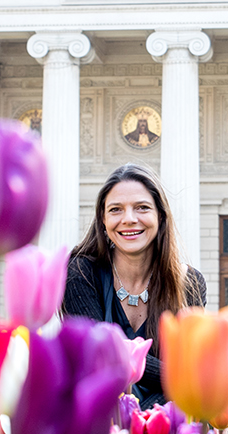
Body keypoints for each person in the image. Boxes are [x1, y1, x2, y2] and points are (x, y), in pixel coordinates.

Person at [61, 163, 205, 410]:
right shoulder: (79, 273)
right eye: (116, 209)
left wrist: (142, 424)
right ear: (103, 220)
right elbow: (99, 358)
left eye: (142, 208)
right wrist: (181, 380)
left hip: (165, 423)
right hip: (99, 418)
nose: (129, 219)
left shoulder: (189, 283)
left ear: (160, 216)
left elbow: (192, 371)